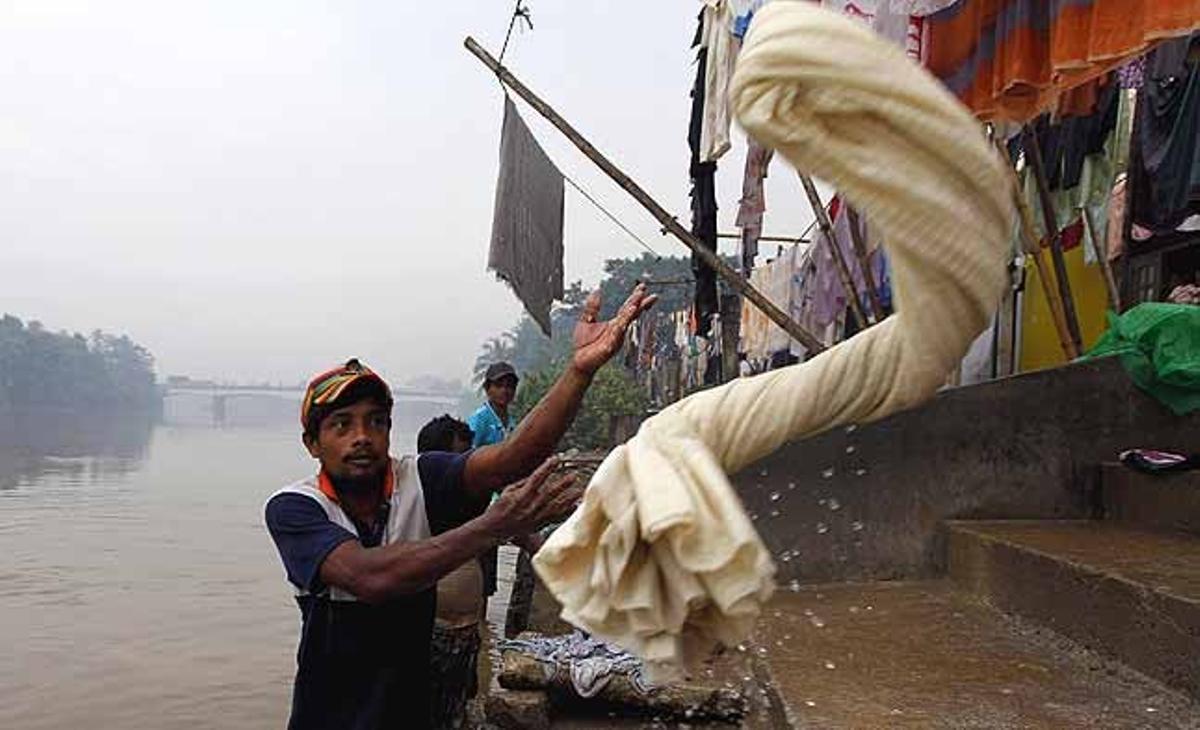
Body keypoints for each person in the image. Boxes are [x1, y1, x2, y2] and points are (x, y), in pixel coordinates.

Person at [264, 285, 656, 730]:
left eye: (376, 422)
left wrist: (579, 371)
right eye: (341, 425)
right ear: (312, 444)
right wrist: (493, 526)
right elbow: (369, 577)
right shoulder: (297, 507)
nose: (362, 437)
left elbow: (513, 459)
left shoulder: (420, 478)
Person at [416, 414, 482, 729]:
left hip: (466, 630)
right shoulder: (415, 499)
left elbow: (517, 529)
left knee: (459, 705)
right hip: (431, 629)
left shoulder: (472, 499)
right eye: (458, 457)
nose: (464, 467)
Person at [468, 362, 520, 607]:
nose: (505, 391)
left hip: (501, 499)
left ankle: (485, 615)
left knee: (490, 562)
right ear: (488, 388)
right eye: (499, 385)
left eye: (510, 386)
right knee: (479, 557)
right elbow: (467, 457)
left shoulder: (511, 422)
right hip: (481, 499)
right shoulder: (479, 420)